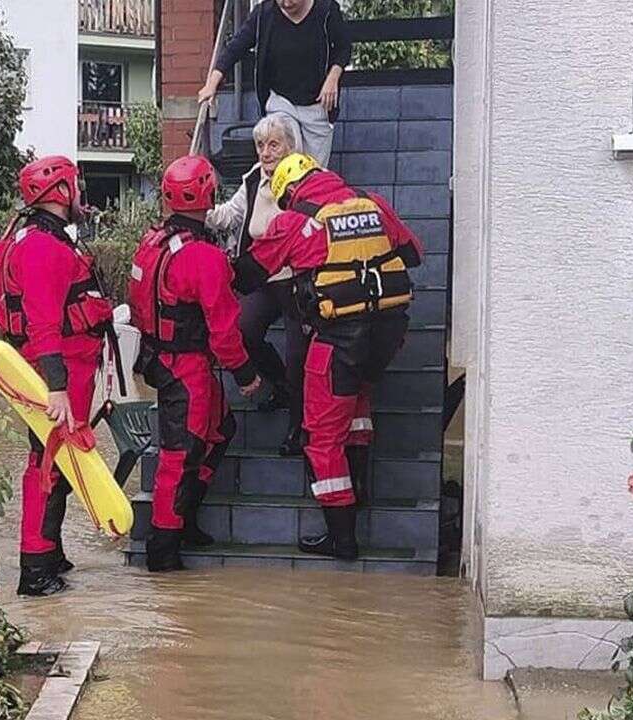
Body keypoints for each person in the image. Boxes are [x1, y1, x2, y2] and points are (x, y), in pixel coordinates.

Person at [234, 153, 422, 560]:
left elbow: (247, 276)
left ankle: (342, 539)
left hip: (339, 340)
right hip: (387, 336)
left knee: (321, 438)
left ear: (289, 191)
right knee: (356, 407)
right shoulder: (371, 202)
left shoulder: (293, 220)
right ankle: (361, 490)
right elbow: (413, 254)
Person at [0, 155, 114, 596]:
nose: (81, 195)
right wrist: (56, 388)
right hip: (57, 371)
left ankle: (50, 552)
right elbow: (43, 324)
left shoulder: (39, 239)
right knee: (47, 464)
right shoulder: (42, 247)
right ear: (59, 193)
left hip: (59, 367)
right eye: (75, 187)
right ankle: (36, 570)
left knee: (53, 460)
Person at [128, 155, 262, 572]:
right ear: (207, 194)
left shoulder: (151, 243)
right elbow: (224, 330)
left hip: (160, 358)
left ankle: (183, 519)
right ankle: (163, 550)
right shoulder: (202, 256)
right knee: (179, 453)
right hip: (185, 366)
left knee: (220, 430)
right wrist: (245, 374)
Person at [207, 112, 309, 456]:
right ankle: (277, 384)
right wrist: (195, 208)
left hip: (298, 278)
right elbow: (230, 215)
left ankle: (299, 427)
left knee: (299, 356)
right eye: (260, 145)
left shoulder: (306, 179)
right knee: (243, 331)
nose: (265, 153)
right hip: (265, 277)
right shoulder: (253, 178)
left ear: (291, 148)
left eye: (273, 145)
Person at [198, 0, 352, 168]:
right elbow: (236, 47)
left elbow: (343, 48)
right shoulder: (264, 14)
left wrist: (333, 77)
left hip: (317, 106)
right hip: (281, 102)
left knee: (314, 173)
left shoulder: (327, 10)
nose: (286, 3)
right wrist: (212, 84)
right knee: (284, 163)